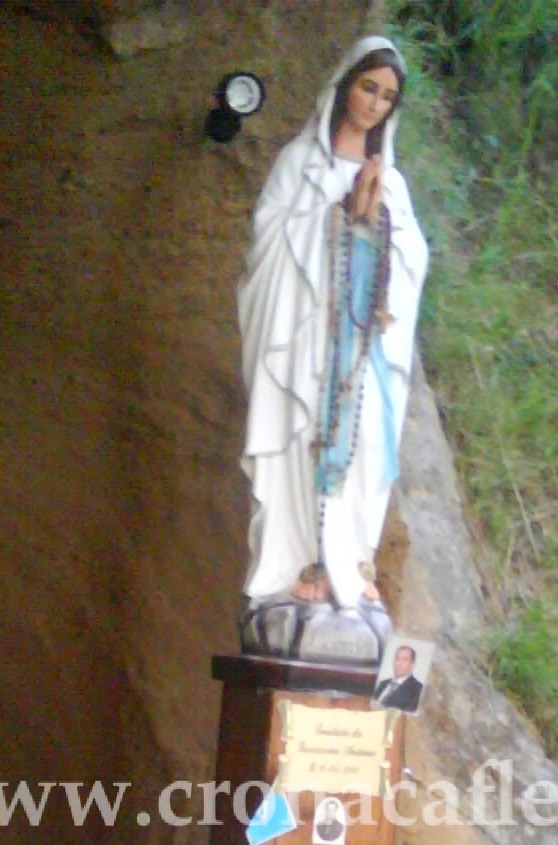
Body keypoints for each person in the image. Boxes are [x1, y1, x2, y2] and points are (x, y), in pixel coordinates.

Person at [238, 37, 428, 655]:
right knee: (302, 439)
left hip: (361, 349)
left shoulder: (391, 180)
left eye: (388, 97)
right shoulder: (302, 164)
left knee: (363, 444)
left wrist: (374, 216)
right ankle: (302, 564)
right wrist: (340, 213)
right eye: (368, 87)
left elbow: (412, 266)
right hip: (306, 344)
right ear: (346, 84)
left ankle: (351, 565)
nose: (374, 104)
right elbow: (269, 242)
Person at [372, 643, 423, 712]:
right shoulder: (383, 683)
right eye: (397, 658)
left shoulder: (418, 689)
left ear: (412, 664)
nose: (399, 663)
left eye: (405, 659)